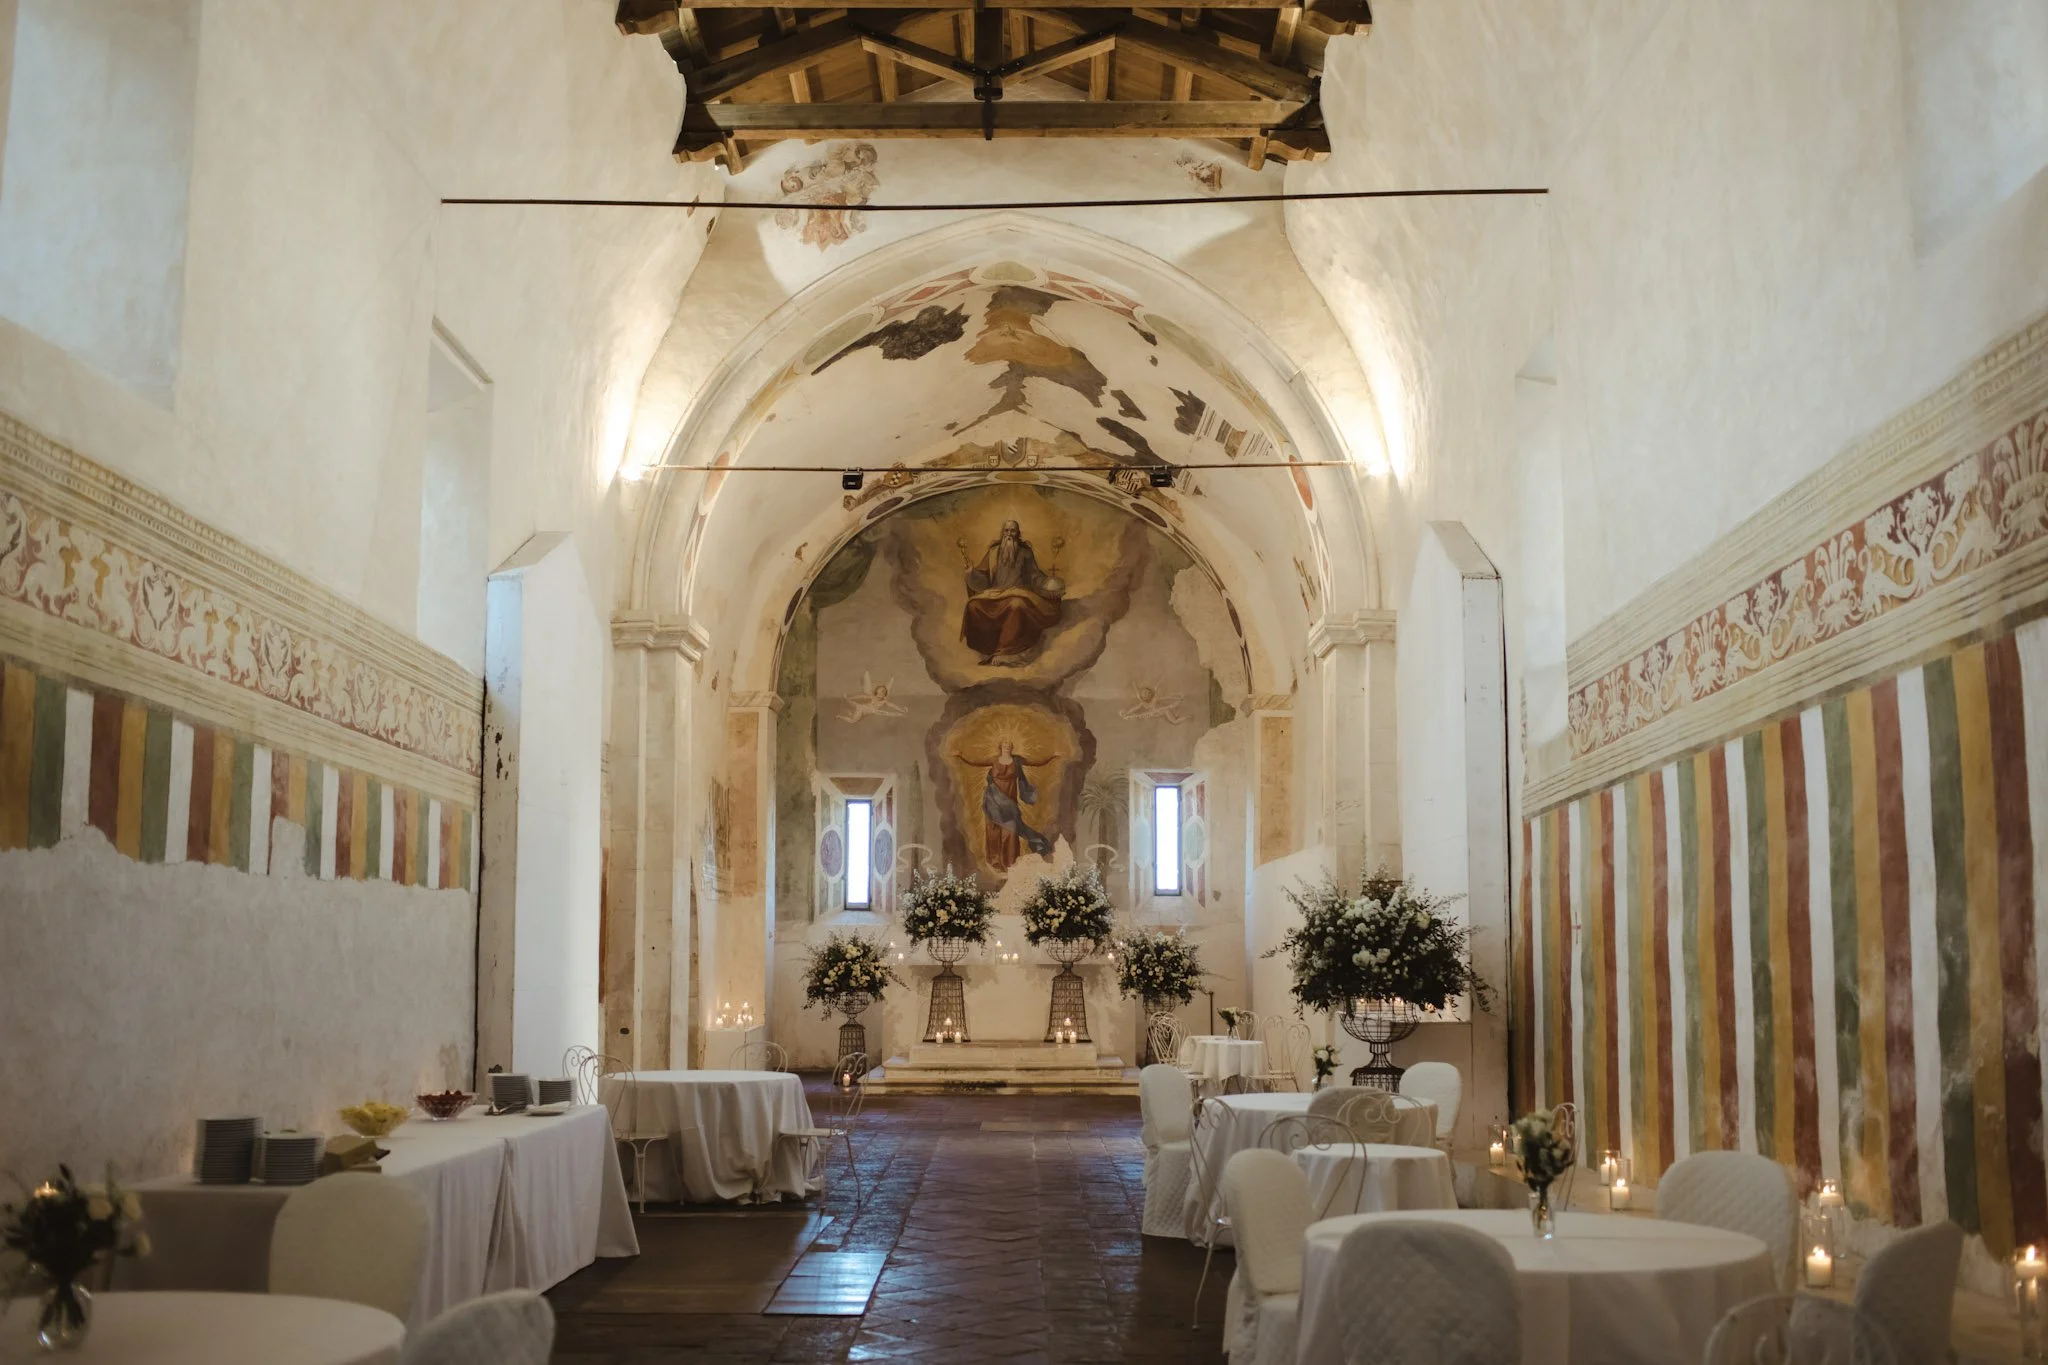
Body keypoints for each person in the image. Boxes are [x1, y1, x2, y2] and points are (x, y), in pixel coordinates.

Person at [961, 520, 1063, 665]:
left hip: (1018, 593)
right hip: (994, 594)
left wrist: (1049, 584)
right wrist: (971, 572)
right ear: (1002, 533)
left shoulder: (1025, 553)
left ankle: (1005, 653)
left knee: (1016, 605)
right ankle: (989, 647)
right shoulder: (993, 552)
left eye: (1012, 531)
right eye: (1006, 531)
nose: (1009, 534)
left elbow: (1035, 577)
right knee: (973, 606)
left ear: (1018, 534)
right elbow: (983, 580)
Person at [952, 738, 1056, 871]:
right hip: (993, 801)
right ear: (1000, 746)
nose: (1007, 746)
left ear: (1012, 747)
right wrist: (961, 756)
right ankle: (995, 863)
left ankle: (1010, 864)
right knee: (994, 832)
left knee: (1011, 832)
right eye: (1005, 744)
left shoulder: (1017, 760)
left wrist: (1051, 757)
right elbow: (976, 762)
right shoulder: (994, 760)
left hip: (1009, 804)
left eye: (1009, 744)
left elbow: (1035, 763)